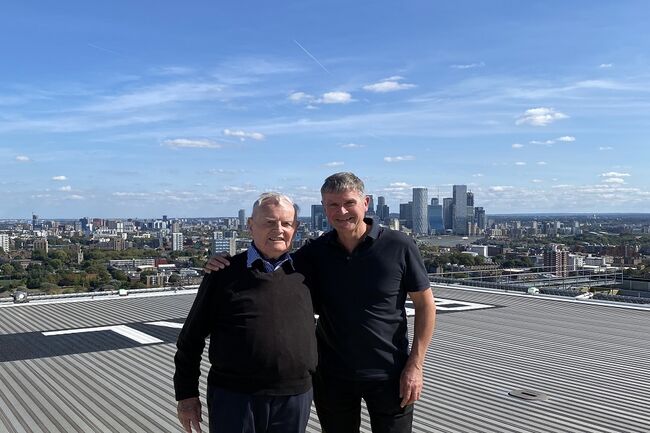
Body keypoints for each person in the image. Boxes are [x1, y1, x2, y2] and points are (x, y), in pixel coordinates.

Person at [206, 172, 436, 433]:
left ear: (366, 203)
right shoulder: (315, 252)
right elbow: (274, 262)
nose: (342, 211)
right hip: (332, 376)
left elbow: (425, 305)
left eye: (349, 203)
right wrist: (225, 262)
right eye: (332, 205)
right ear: (323, 208)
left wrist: (415, 365)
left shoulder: (399, 245)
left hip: (390, 374)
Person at [174, 192, 317, 433]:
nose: (279, 229)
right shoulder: (223, 274)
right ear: (250, 226)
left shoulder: (307, 272)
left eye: (286, 223)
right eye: (269, 222)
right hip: (235, 398)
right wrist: (187, 395)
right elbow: (190, 340)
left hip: (295, 396)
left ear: (296, 227)